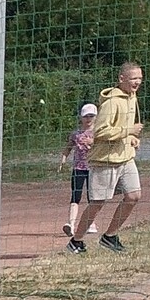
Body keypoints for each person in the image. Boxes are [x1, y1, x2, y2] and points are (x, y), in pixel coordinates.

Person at [72, 63, 144, 253]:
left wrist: (131, 138)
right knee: (97, 203)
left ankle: (110, 236)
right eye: (133, 78)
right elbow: (101, 131)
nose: (137, 82)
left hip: (126, 158)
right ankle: (76, 241)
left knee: (134, 195)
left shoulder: (132, 97)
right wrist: (129, 130)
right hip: (105, 160)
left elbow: (124, 129)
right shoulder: (111, 102)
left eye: (140, 78)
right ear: (121, 79)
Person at [62, 102, 98, 242]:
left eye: (91, 116)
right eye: (86, 116)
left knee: (92, 197)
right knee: (75, 196)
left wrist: (92, 143)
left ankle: (91, 223)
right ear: (81, 117)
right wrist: (63, 159)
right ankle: (70, 224)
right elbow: (68, 147)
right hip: (78, 169)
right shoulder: (76, 134)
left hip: (93, 168)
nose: (88, 119)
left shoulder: (99, 133)